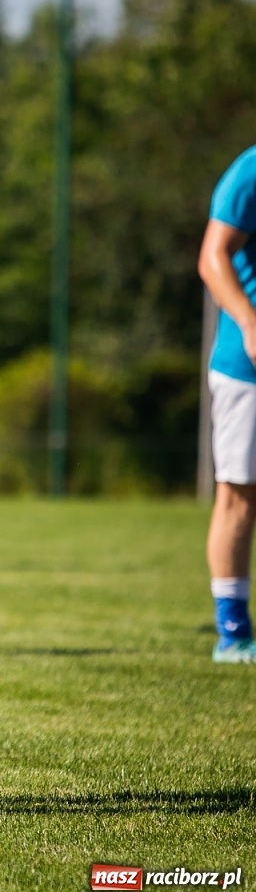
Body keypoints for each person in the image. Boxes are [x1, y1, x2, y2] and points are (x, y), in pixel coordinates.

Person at [196, 143, 256, 663]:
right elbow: (213, 256)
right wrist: (250, 321)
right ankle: (233, 632)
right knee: (239, 493)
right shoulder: (252, 169)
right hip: (248, 368)